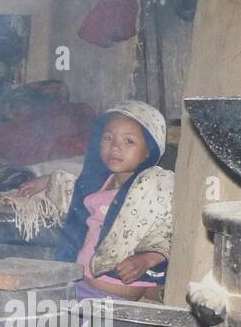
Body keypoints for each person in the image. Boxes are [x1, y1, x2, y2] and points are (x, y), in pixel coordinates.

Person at [13, 100, 172, 301]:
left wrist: (147, 259)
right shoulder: (99, 182)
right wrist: (48, 181)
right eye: (108, 137)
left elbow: (169, 226)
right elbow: (74, 194)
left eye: (128, 141)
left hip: (113, 297)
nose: (115, 147)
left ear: (149, 149)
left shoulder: (153, 185)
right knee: (32, 301)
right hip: (83, 287)